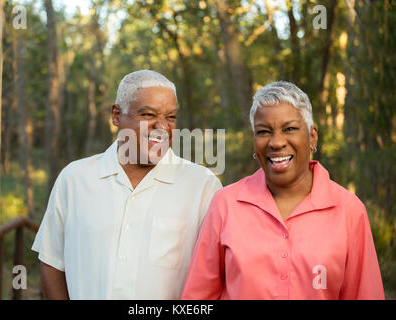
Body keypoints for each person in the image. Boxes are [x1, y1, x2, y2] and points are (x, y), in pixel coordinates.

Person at [181, 81, 385, 300]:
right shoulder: (225, 204)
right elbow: (197, 298)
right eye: (263, 131)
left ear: (312, 137)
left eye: (289, 129)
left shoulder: (350, 211)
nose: (276, 142)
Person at [32, 70, 222, 299]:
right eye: (148, 114)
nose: (162, 126)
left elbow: (216, 277)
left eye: (171, 117)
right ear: (116, 115)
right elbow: (52, 260)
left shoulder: (202, 186)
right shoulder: (74, 179)